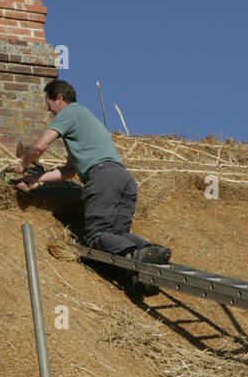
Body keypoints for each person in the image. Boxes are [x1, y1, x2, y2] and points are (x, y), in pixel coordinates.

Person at [9, 79, 170, 264]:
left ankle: (138, 255)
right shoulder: (83, 120)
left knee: (97, 235)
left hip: (102, 178)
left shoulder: (69, 112)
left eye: (49, 103)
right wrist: (35, 178)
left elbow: (39, 147)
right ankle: (150, 250)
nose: (48, 110)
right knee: (118, 236)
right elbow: (69, 172)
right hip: (124, 179)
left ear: (60, 98)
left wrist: (22, 165)